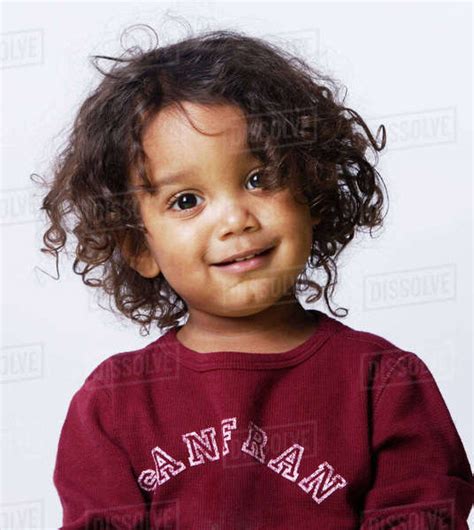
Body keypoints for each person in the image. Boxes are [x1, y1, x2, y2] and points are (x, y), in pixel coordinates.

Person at [38, 23, 473, 530]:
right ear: (138, 247)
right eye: (186, 201)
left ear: (311, 187)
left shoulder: (385, 381)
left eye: (258, 179)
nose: (235, 219)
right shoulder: (113, 401)